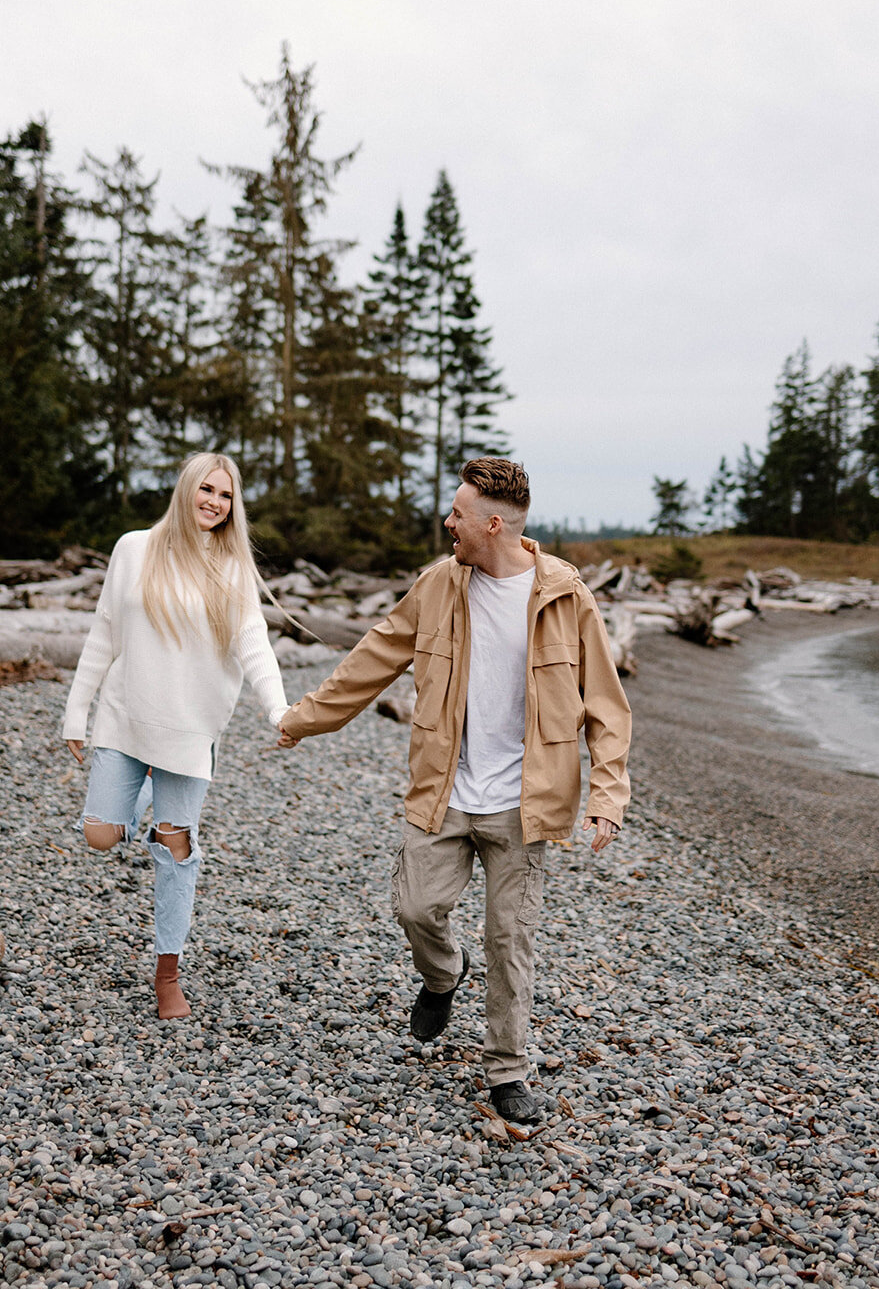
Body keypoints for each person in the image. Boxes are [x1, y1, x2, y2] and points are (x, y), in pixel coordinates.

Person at [278, 457, 630, 1123]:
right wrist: (304, 719)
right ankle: (442, 975)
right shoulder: (437, 585)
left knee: (509, 941)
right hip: (444, 790)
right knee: (415, 909)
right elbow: (373, 658)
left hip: (525, 804)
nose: (447, 522)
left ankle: (506, 1071)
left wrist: (606, 799)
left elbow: (606, 707)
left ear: (493, 523)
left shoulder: (565, 596)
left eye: (457, 513)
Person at [63, 452, 289, 1020]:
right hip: (124, 717)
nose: (215, 502)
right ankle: (142, 801)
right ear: (186, 489)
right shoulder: (134, 548)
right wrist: (75, 712)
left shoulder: (232, 568)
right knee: (100, 835)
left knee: (174, 848)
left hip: (189, 733)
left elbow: (254, 645)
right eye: (207, 489)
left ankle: (168, 976)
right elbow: (104, 632)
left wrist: (279, 710)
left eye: (227, 495)